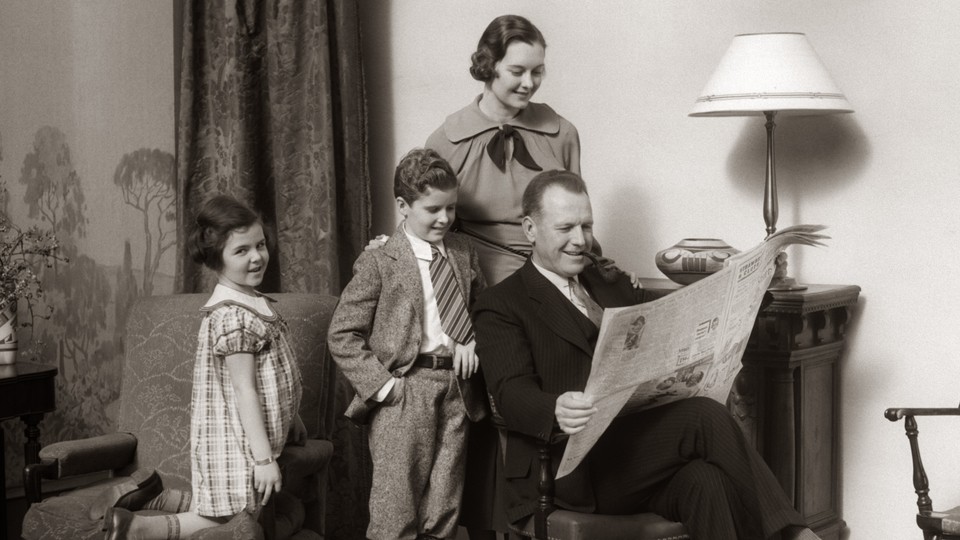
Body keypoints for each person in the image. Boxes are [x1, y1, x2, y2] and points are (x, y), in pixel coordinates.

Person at [473, 169, 823, 540]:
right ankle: (793, 534)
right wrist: (554, 407)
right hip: (569, 469)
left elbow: (676, 319)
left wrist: (742, 287)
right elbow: (510, 393)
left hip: (634, 453)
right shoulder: (501, 304)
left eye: (586, 226)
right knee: (703, 417)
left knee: (705, 482)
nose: (580, 240)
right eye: (565, 228)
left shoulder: (608, 282)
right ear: (530, 229)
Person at [102, 194, 306, 539]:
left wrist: (293, 416)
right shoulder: (231, 316)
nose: (257, 257)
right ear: (216, 260)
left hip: (255, 437)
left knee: (243, 509)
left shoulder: (253, 302)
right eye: (241, 251)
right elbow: (245, 389)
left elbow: (275, 371)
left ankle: (158, 496)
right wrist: (262, 460)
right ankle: (137, 529)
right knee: (231, 519)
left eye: (260, 245)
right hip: (238, 443)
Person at [328, 148, 488, 540]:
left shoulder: (465, 252)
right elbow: (342, 332)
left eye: (451, 208)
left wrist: (473, 340)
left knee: (443, 511)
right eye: (433, 209)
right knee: (395, 514)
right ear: (403, 205)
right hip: (405, 392)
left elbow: (487, 312)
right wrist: (384, 387)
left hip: (457, 389)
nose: (445, 218)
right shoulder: (381, 260)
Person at [425, 14, 580, 286]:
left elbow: (578, 219)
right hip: (474, 279)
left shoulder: (562, 133)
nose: (529, 83)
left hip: (554, 274)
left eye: (537, 71)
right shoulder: (446, 141)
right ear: (489, 66)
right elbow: (424, 224)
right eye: (517, 72)